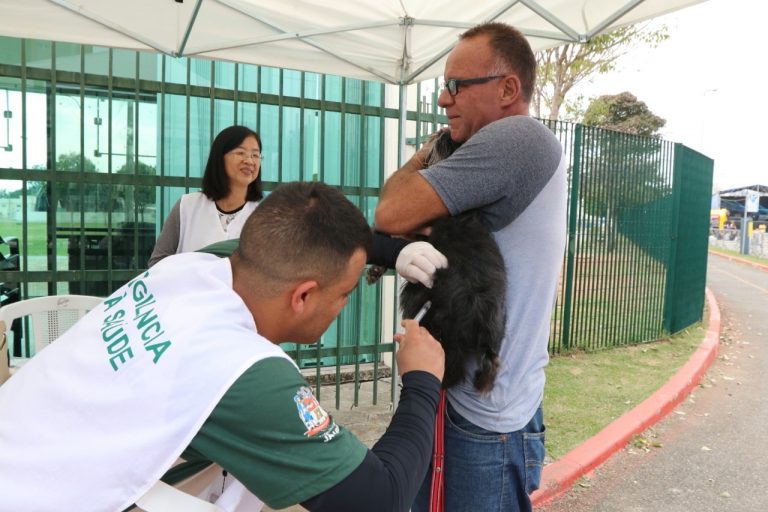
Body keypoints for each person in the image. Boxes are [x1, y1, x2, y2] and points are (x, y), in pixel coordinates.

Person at [0, 181, 445, 512]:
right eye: (346, 292)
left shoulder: (192, 266)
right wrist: (421, 379)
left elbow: (284, 241)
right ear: (304, 295)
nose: (345, 303)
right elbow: (381, 498)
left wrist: (389, 251)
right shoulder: (243, 370)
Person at [374, 22, 568, 512]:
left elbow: (391, 212)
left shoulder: (520, 138)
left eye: (458, 86)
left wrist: (431, 151)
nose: (444, 99)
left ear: (508, 89)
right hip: (466, 398)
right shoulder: (490, 150)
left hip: (486, 419)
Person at [148, 125, 264, 267]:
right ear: (219, 158)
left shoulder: (264, 215)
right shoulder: (187, 206)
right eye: (241, 153)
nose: (250, 161)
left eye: (255, 155)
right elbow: (157, 263)